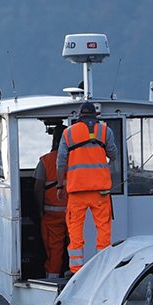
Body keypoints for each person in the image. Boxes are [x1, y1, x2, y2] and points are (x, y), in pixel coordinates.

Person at [57, 100, 115, 273]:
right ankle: (102, 267)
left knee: (75, 232)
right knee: (103, 230)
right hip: (100, 192)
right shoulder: (105, 131)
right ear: (95, 116)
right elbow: (113, 154)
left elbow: (61, 162)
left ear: (79, 116)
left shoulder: (68, 133)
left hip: (77, 192)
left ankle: (76, 270)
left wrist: (60, 186)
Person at [36, 120, 68, 280]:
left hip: (52, 215)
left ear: (54, 139)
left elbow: (38, 188)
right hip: (76, 212)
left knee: (54, 248)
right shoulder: (76, 160)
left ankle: (52, 280)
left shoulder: (45, 161)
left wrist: (39, 211)